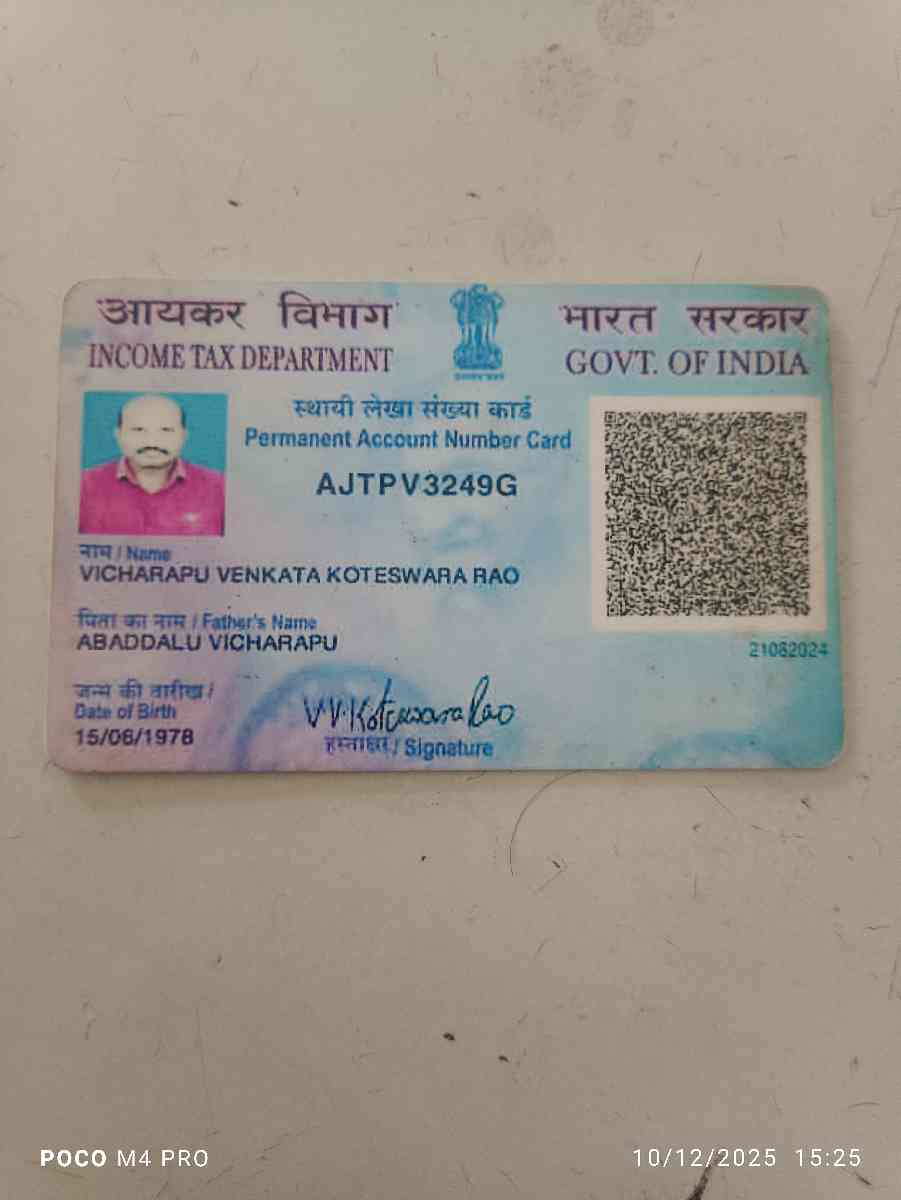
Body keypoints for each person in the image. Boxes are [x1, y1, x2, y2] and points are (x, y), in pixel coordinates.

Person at [79, 393, 225, 536]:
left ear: (183, 436)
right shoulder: (83, 487)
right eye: (138, 430)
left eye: (166, 430)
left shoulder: (220, 488)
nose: (152, 442)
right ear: (118, 435)